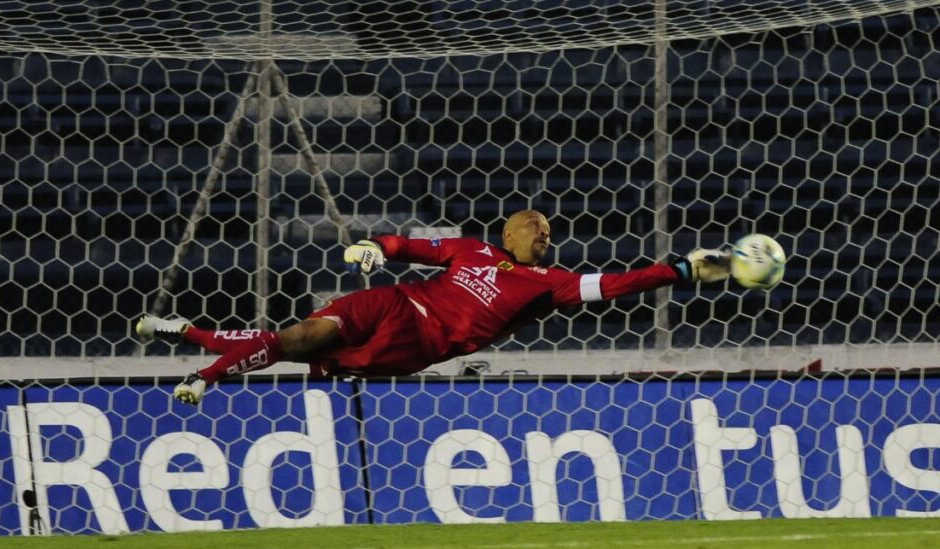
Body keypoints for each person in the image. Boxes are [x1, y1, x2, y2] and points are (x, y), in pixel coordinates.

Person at [136, 209, 731, 405]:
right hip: (391, 300)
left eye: (547, 229)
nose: (542, 230)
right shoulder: (471, 250)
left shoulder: (550, 282)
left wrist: (675, 270)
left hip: (415, 345)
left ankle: (191, 334)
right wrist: (374, 245)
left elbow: (614, 284)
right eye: (533, 224)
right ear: (509, 230)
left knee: (292, 350)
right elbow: (407, 246)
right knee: (298, 336)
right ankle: (205, 373)